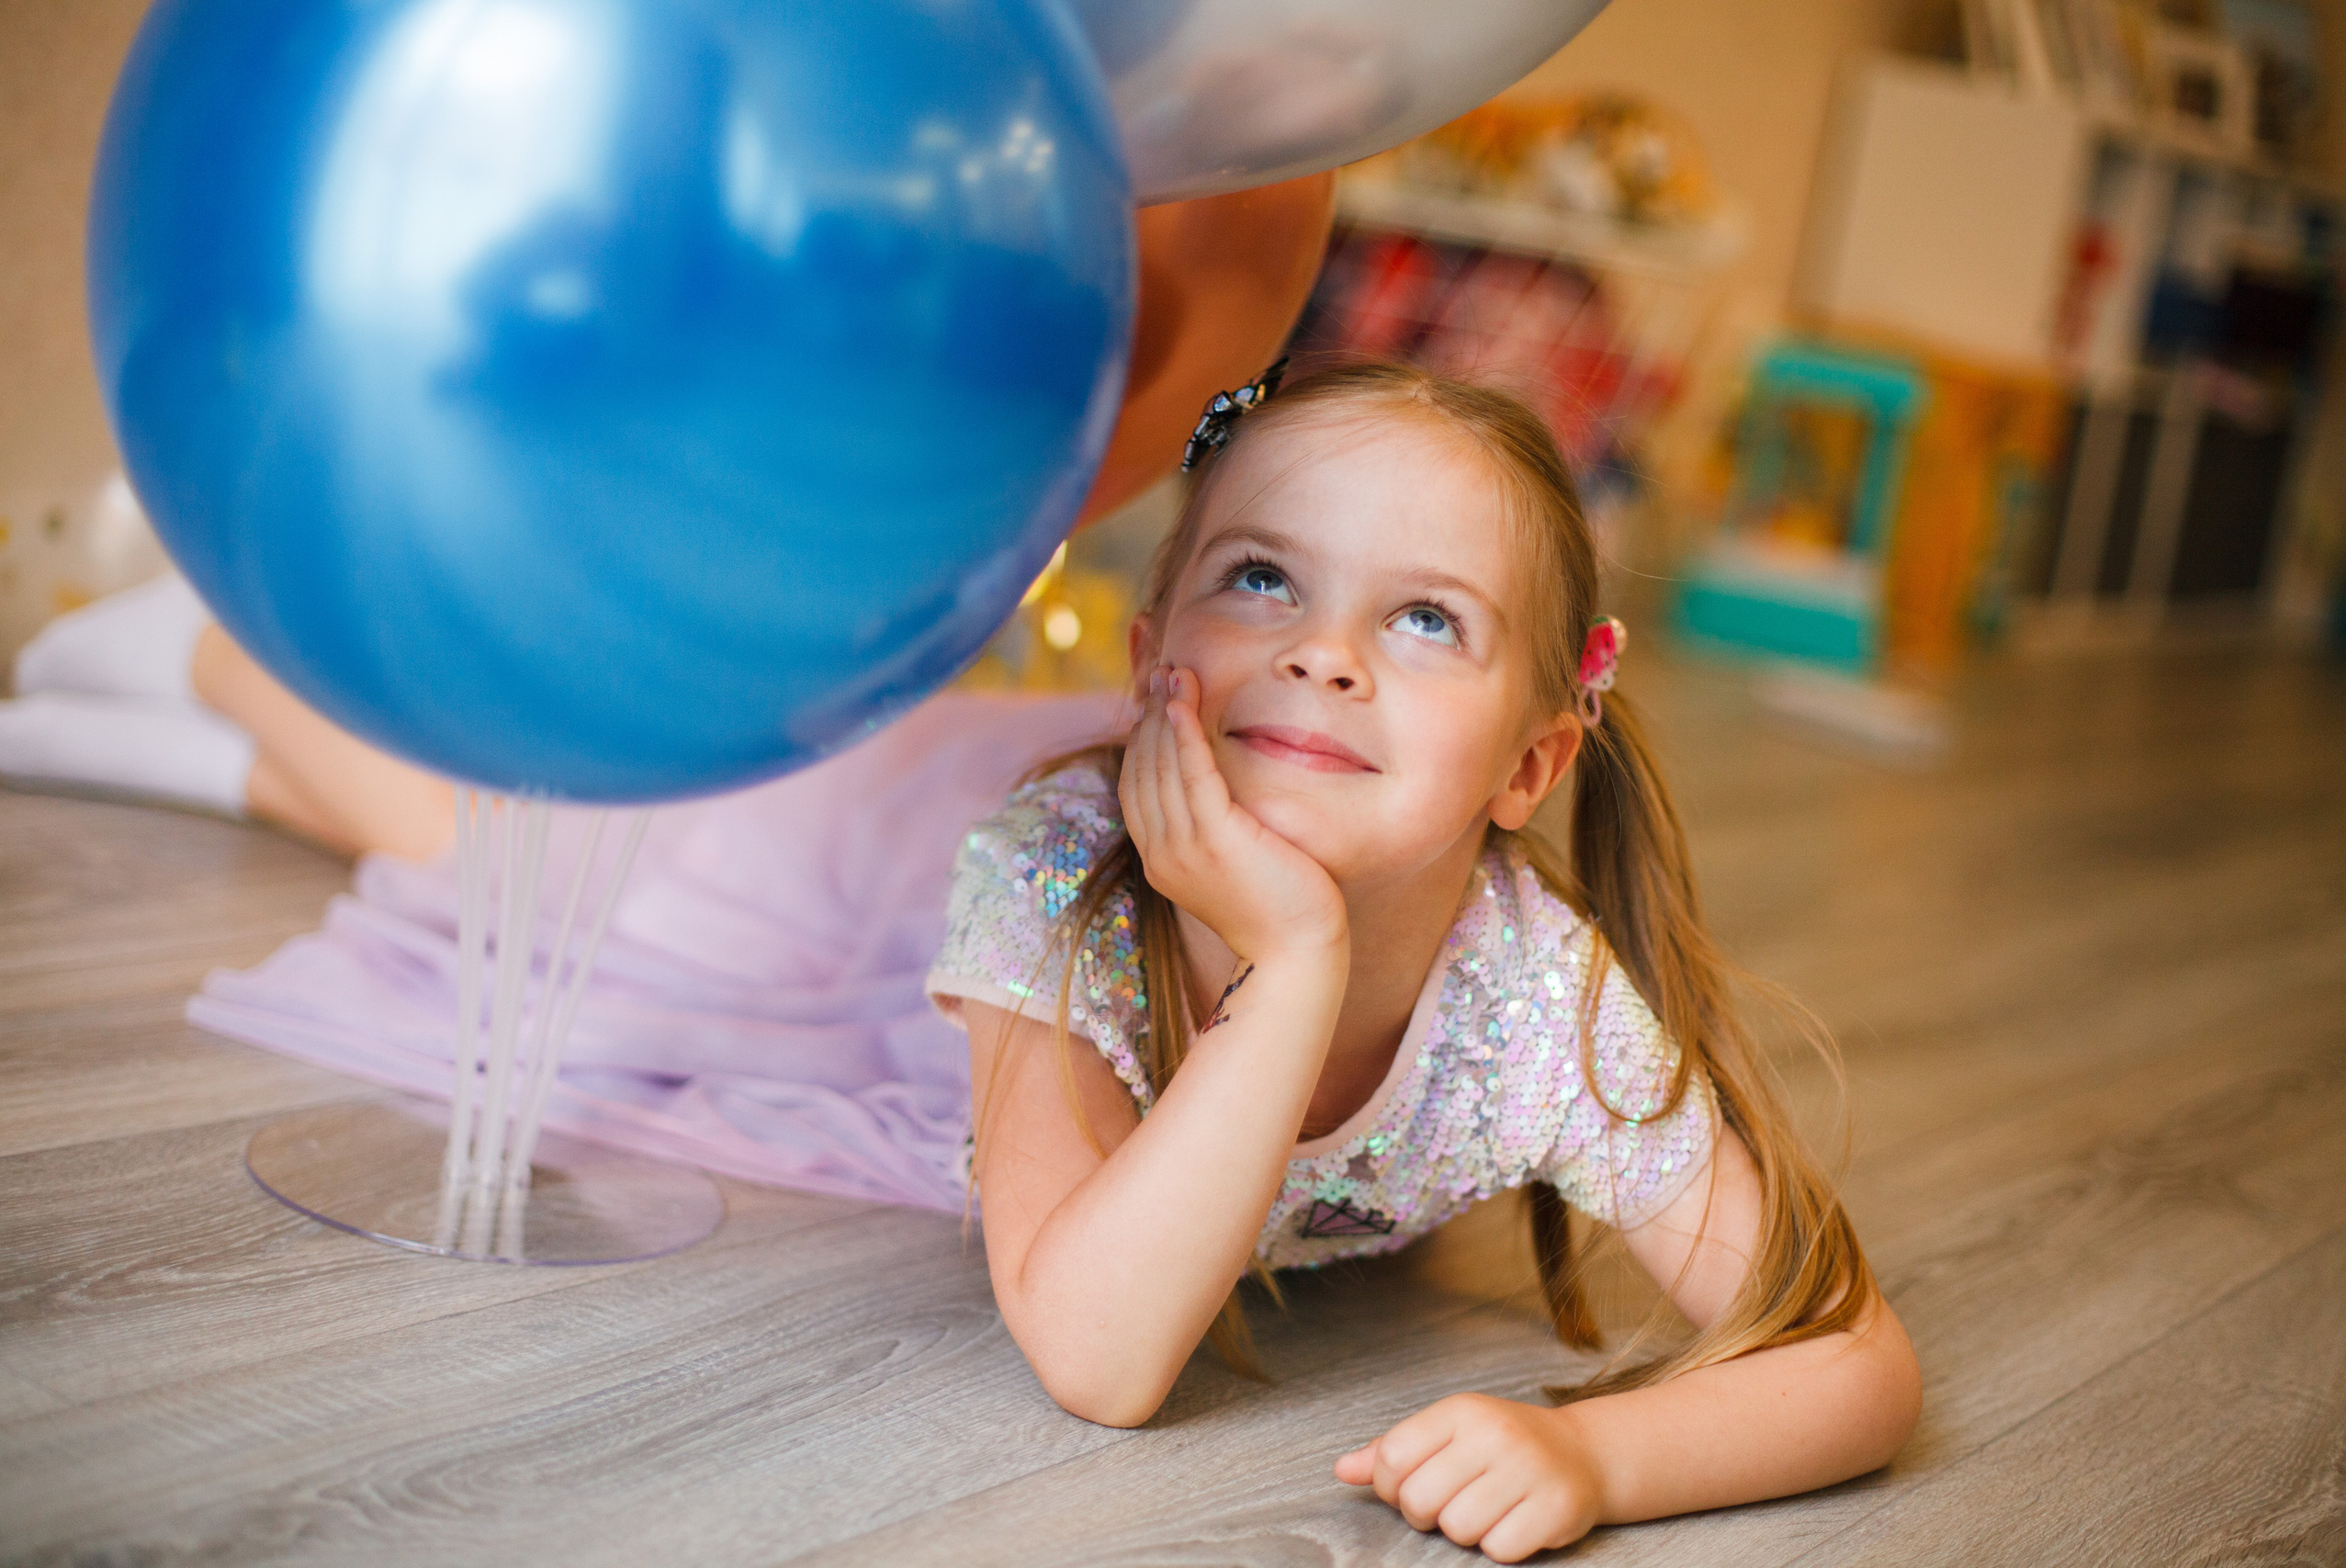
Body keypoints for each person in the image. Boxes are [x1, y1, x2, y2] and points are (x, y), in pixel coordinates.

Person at [1, 360, 1917, 1561]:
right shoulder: (1053, 870)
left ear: (1529, 759)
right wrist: (1298, 964)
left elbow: (1845, 1356)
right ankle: (197, 622)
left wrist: (1600, 1464)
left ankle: (169, 710)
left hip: (1062, 910)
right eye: (1263, 576)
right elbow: (1096, 1352)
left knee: (485, 840)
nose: (1322, 650)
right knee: (542, 846)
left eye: (1421, 617)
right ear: (1159, 640)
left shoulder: (1538, 996)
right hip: (874, 861)